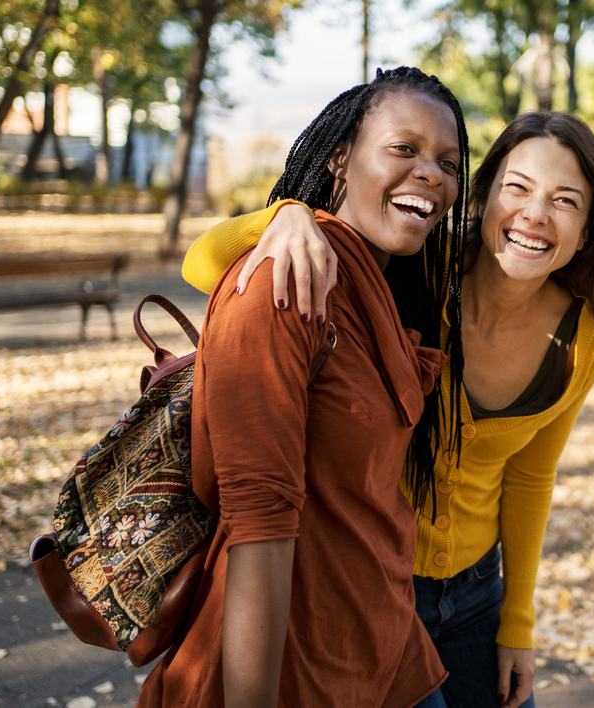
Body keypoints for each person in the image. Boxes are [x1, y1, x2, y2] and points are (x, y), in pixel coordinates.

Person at [183, 110, 594, 708]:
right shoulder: (416, 277)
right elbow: (202, 264)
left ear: (587, 231)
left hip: (477, 597)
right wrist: (285, 217)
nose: (535, 216)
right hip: (375, 591)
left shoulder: (583, 335)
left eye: (565, 202)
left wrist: (518, 624)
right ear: (483, 199)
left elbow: (531, 474)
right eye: (517, 189)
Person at [140, 67, 471, 708]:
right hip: (294, 671)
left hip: (391, 654)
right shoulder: (283, 285)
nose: (433, 174)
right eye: (404, 149)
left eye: (449, 163)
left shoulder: (389, 287)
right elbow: (256, 521)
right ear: (340, 159)